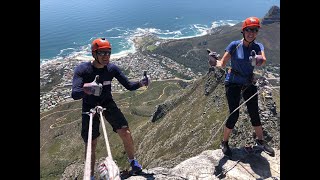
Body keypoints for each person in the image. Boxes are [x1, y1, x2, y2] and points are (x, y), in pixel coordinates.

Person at [71, 37, 150, 179]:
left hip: (107, 103)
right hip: (89, 107)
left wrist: (141, 83)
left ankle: (134, 162)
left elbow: (129, 86)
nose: (106, 56)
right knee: (91, 143)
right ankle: (90, 176)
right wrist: (87, 88)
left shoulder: (111, 69)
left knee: (125, 132)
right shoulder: (83, 70)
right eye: (102, 53)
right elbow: (75, 94)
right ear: (94, 53)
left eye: (108, 52)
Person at [213, 17, 275, 157]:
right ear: (243, 31)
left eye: (254, 30)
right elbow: (222, 63)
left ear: (257, 32)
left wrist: (258, 59)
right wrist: (213, 61)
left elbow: (263, 59)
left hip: (247, 82)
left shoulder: (258, 46)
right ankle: (224, 142)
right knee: (234, 113)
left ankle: (260, 141)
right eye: (248, 30)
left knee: (254, 112)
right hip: (233, 82)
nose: (251, 33)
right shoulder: (234, 45)